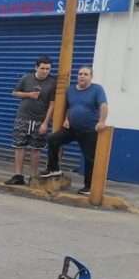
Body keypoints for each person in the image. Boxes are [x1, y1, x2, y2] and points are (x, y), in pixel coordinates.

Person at [40, 67, 109, 196]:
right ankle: (54, 168)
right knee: (52, 139)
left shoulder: (97, 89)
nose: (82, 76)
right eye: (80, 74)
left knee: (90, 158)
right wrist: (66, 118)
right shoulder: (70, 90)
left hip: (89, 130)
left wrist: (102, 121)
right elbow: (70, 106)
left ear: (91, 77)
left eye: (86, 74)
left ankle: (88, 187)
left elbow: (103, 106)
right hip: (71, 129)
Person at [6, 56, 56, 186]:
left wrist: (46, 122)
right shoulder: (26, 78)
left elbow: (52, 104)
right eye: (42, 68)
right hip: (23, 117)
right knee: (19, 146)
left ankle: (33, 177)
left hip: (40, 119)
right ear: (36, 67)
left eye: (48, 69)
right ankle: (18, 176)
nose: (45, 71)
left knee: (36, 148)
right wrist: (29, 95)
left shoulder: (52, 82)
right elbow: (15, 93)